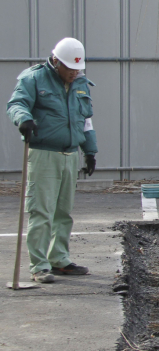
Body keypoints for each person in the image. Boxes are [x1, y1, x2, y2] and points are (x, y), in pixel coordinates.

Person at [7, 38, 98, 283]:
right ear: (56, 61)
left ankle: (60, 259)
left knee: (63, 212)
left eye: (78, 69)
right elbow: (17, 103)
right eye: (70, 68)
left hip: (69, 155)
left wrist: (90, 151)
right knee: (41, 211)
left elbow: (86, 120)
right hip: (43, 154)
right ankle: (39, 265)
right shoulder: (33, 78)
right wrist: (23, 119)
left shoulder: (80, 83)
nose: (74, 73)